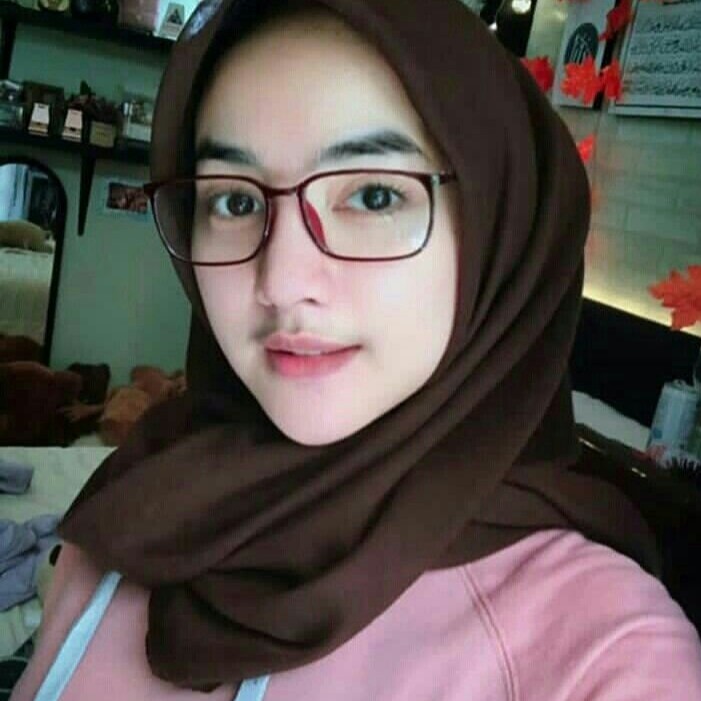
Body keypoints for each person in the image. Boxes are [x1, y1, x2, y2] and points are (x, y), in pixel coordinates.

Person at [10, 0, 701, 699]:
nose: (280, 282)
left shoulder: (604, 654)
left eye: (372, 196)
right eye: (234, 202)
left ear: (498, 228)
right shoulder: (139, 505)